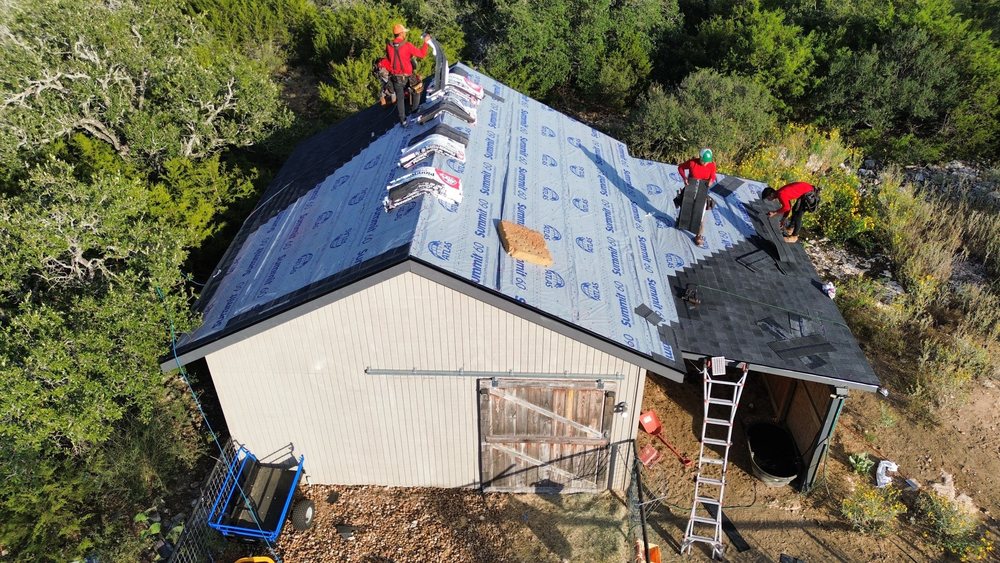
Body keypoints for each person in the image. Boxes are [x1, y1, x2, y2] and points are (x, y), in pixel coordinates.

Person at [385, 24, 430, 126]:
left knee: (400, 98)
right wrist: (426, 42)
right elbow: (422, 54)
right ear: (401, 33)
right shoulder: (407, 45)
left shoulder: (389, 45)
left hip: (395, 77)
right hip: (407, 75)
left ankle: (403, 121)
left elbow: (389, 58)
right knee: (417, 89)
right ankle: (414, 111)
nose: (405, 33)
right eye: (404, 32)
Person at [675, 148, 717, 246]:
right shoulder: (692, 163)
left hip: (702, 191)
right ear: (700, 157)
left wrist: (711, 180)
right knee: (685, 207)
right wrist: (684, 178)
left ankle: (698, 235)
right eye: (703, 161)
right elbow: (680, 168)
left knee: (700, 214)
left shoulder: (711, 165)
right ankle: (680, 222)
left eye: (707, 162)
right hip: (691, 188)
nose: (705, 163)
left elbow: (713, 175)